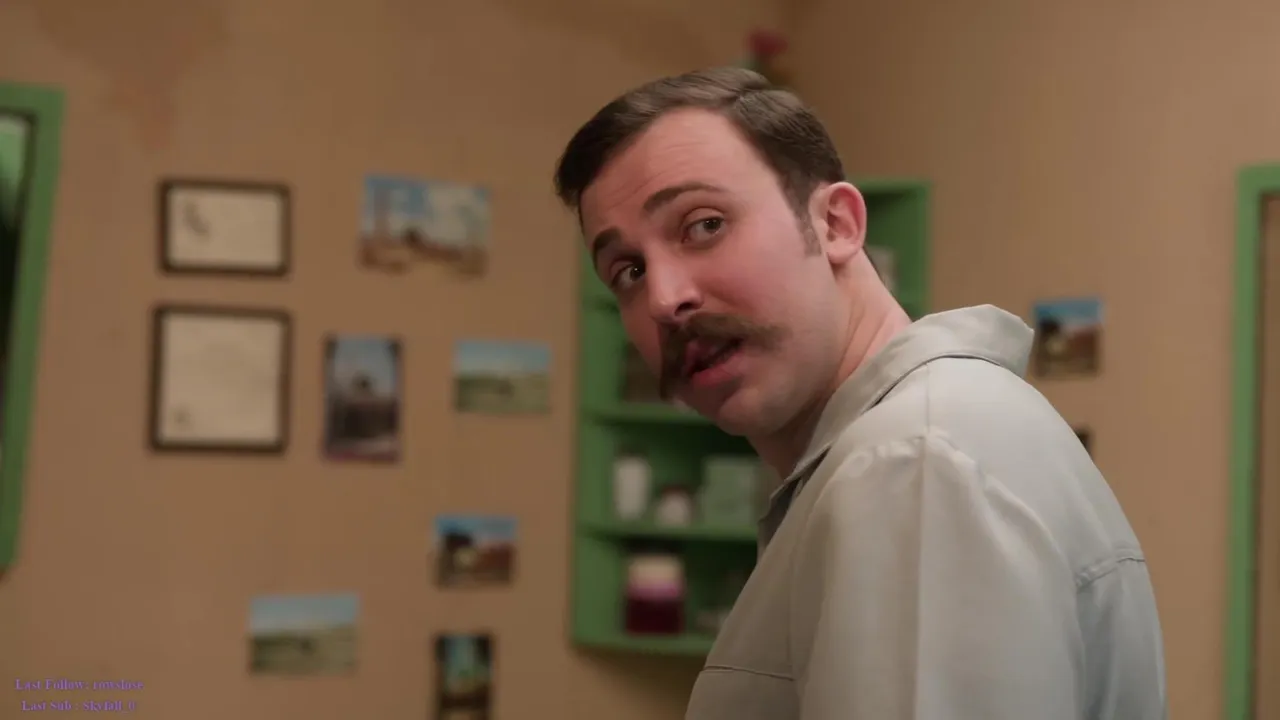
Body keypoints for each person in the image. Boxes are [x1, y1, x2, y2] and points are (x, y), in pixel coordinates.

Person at [552, 67, 1166, 720]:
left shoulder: (913, 463)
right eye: (628, 270)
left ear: (836, 224)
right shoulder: (922, 440)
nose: (664, 298)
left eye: (704, 225)